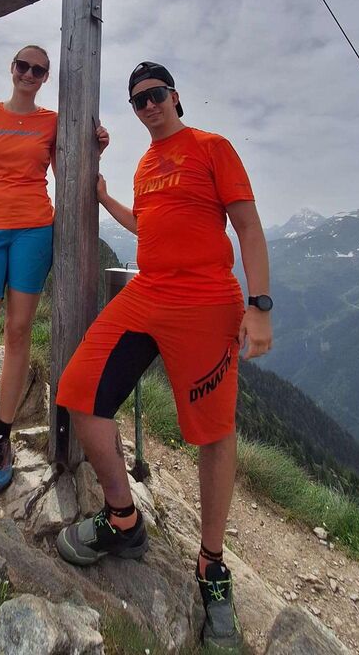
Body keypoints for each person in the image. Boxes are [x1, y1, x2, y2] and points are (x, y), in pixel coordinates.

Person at [55, 61, 272, 653]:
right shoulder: (147, 164)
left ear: (175, 96)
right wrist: (105, 198)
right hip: (148, 293)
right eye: (138, 101)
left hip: (206, 300)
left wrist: (260, 305)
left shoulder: (211, 147)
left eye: (155, 95)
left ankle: (211, 565)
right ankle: (123, 520)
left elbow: (248, 228)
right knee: (78, 393)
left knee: (212, 433)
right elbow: (146, 224)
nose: (148, 106)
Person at [0, 44, 108, 495]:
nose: (29, 74)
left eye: (39, 70)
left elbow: (67, 171)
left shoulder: (52, 122)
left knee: (18, 333)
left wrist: (95, 150)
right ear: (12, 68)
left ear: (45, 77)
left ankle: (0, 438)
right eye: (23, 66)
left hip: (35, 231)